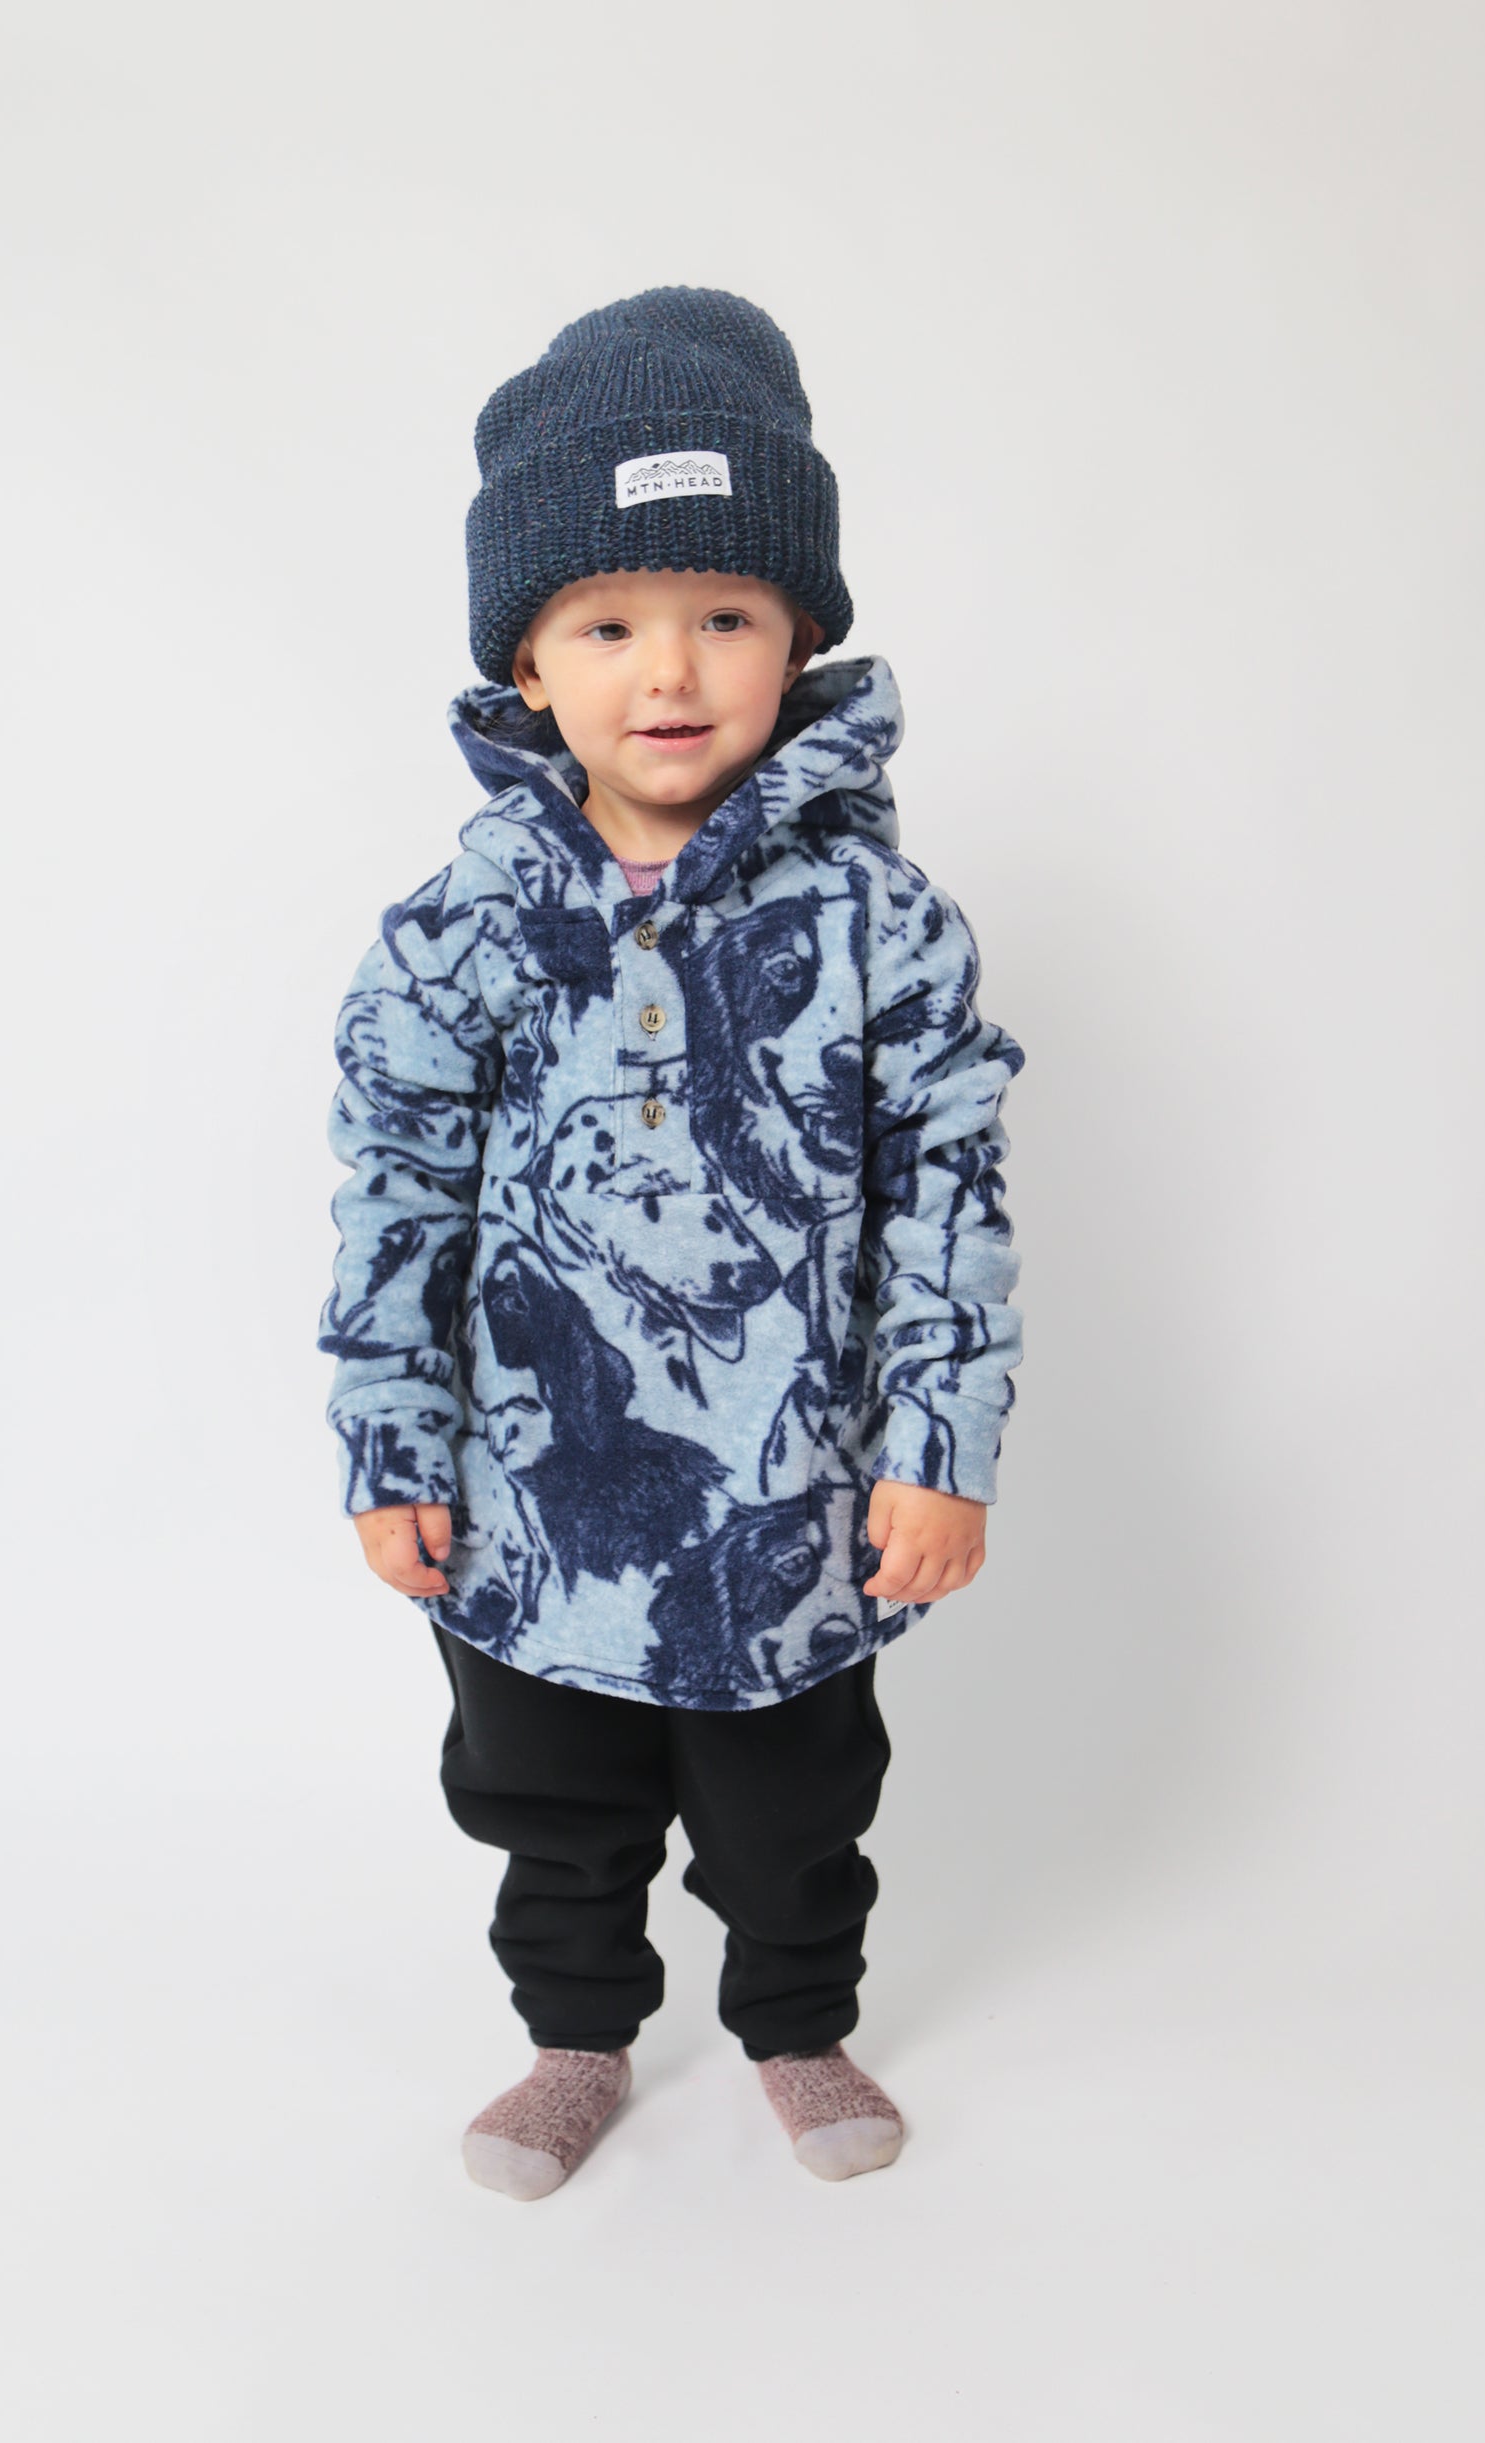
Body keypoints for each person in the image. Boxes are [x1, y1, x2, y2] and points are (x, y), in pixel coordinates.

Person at [317, 286, 1025, 2197]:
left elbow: (950, 1193)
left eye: (726, 612)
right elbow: (396, 1188)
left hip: (796, 1500)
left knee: (797, 1808)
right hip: (528, 1499)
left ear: (799, 641)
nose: (673, 670)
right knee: (546, 1799)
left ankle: (797, 2026)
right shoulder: (466, 925)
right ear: (530, 665)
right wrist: (392, 1447)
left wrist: (939, 1448)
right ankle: (577, 2038)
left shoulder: (880, 922)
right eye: (609, 624)